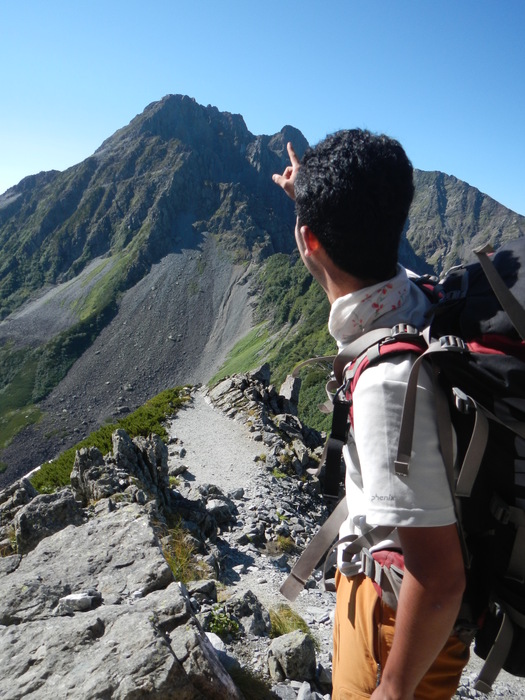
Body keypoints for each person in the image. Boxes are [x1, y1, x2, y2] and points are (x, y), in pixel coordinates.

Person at [272, 130, 469, 700]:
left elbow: (439, 579)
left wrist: (393, 689)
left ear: (309, 243)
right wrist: (307, 200)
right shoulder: (414, 293)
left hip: (395, 615)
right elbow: (353, 267)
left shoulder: (386, 385)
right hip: (395, 594)